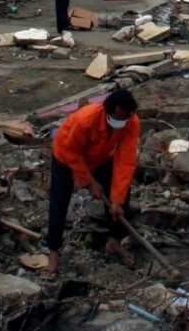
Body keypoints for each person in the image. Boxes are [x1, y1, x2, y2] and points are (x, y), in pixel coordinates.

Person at [45, 89, 140, 274]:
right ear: (107, 112)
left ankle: (114, 241)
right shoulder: (85, 119)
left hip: (100, 157)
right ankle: (53, 251)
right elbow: (71, 152)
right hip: (65, 156)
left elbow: (125, 161)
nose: (121, 122)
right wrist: (89, 182)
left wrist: (117, 200)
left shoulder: (131, 123)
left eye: (125, 118)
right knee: (59, 202)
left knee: (122, 194)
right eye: (118, 118)